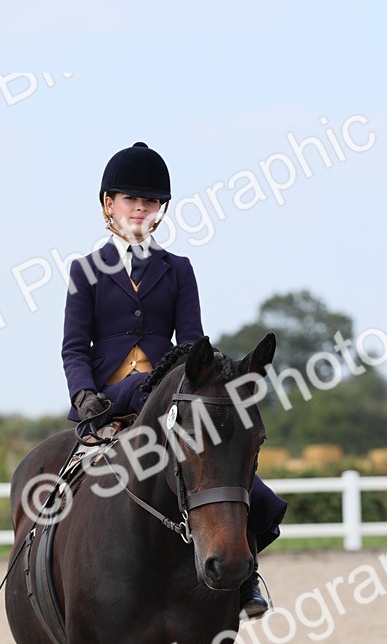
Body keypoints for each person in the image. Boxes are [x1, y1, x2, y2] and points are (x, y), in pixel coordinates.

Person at [61, 141, 286, 618]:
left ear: (161, 209)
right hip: (106, 406)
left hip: (166, 403)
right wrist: (83, 395)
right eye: (130, 199)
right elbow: (75, 348)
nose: (140, 208)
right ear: (109, 205)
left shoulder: (178, 269)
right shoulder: (85, 272)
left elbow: (191, 345)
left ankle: (245, 579)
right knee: (56, 499)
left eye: (150, 201)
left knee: (246, 489)